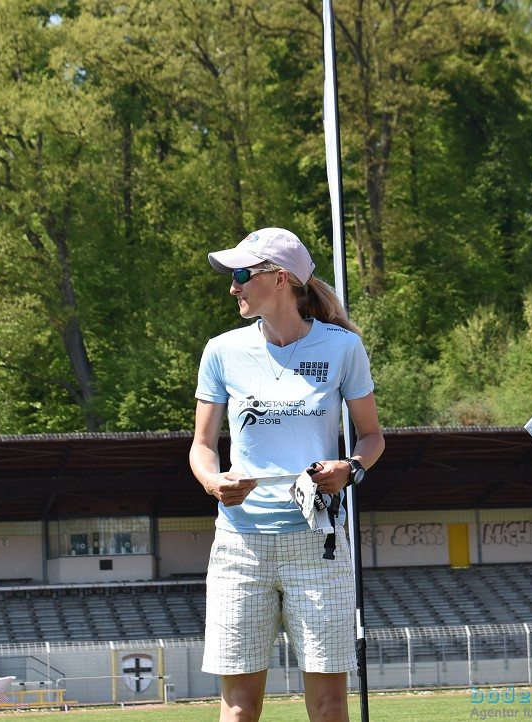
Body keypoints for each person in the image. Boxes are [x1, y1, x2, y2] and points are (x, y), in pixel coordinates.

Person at [189, 227, 384, 722]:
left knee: (328, 706)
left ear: (279, 279)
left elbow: (371, 438)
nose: (232, 287)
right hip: (239, 546)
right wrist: (214, 483)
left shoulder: (342, 348)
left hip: (318, 544)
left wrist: (351, 469)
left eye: (241, 275)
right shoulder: (221, 351)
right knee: (237, 709)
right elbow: (202, 447)